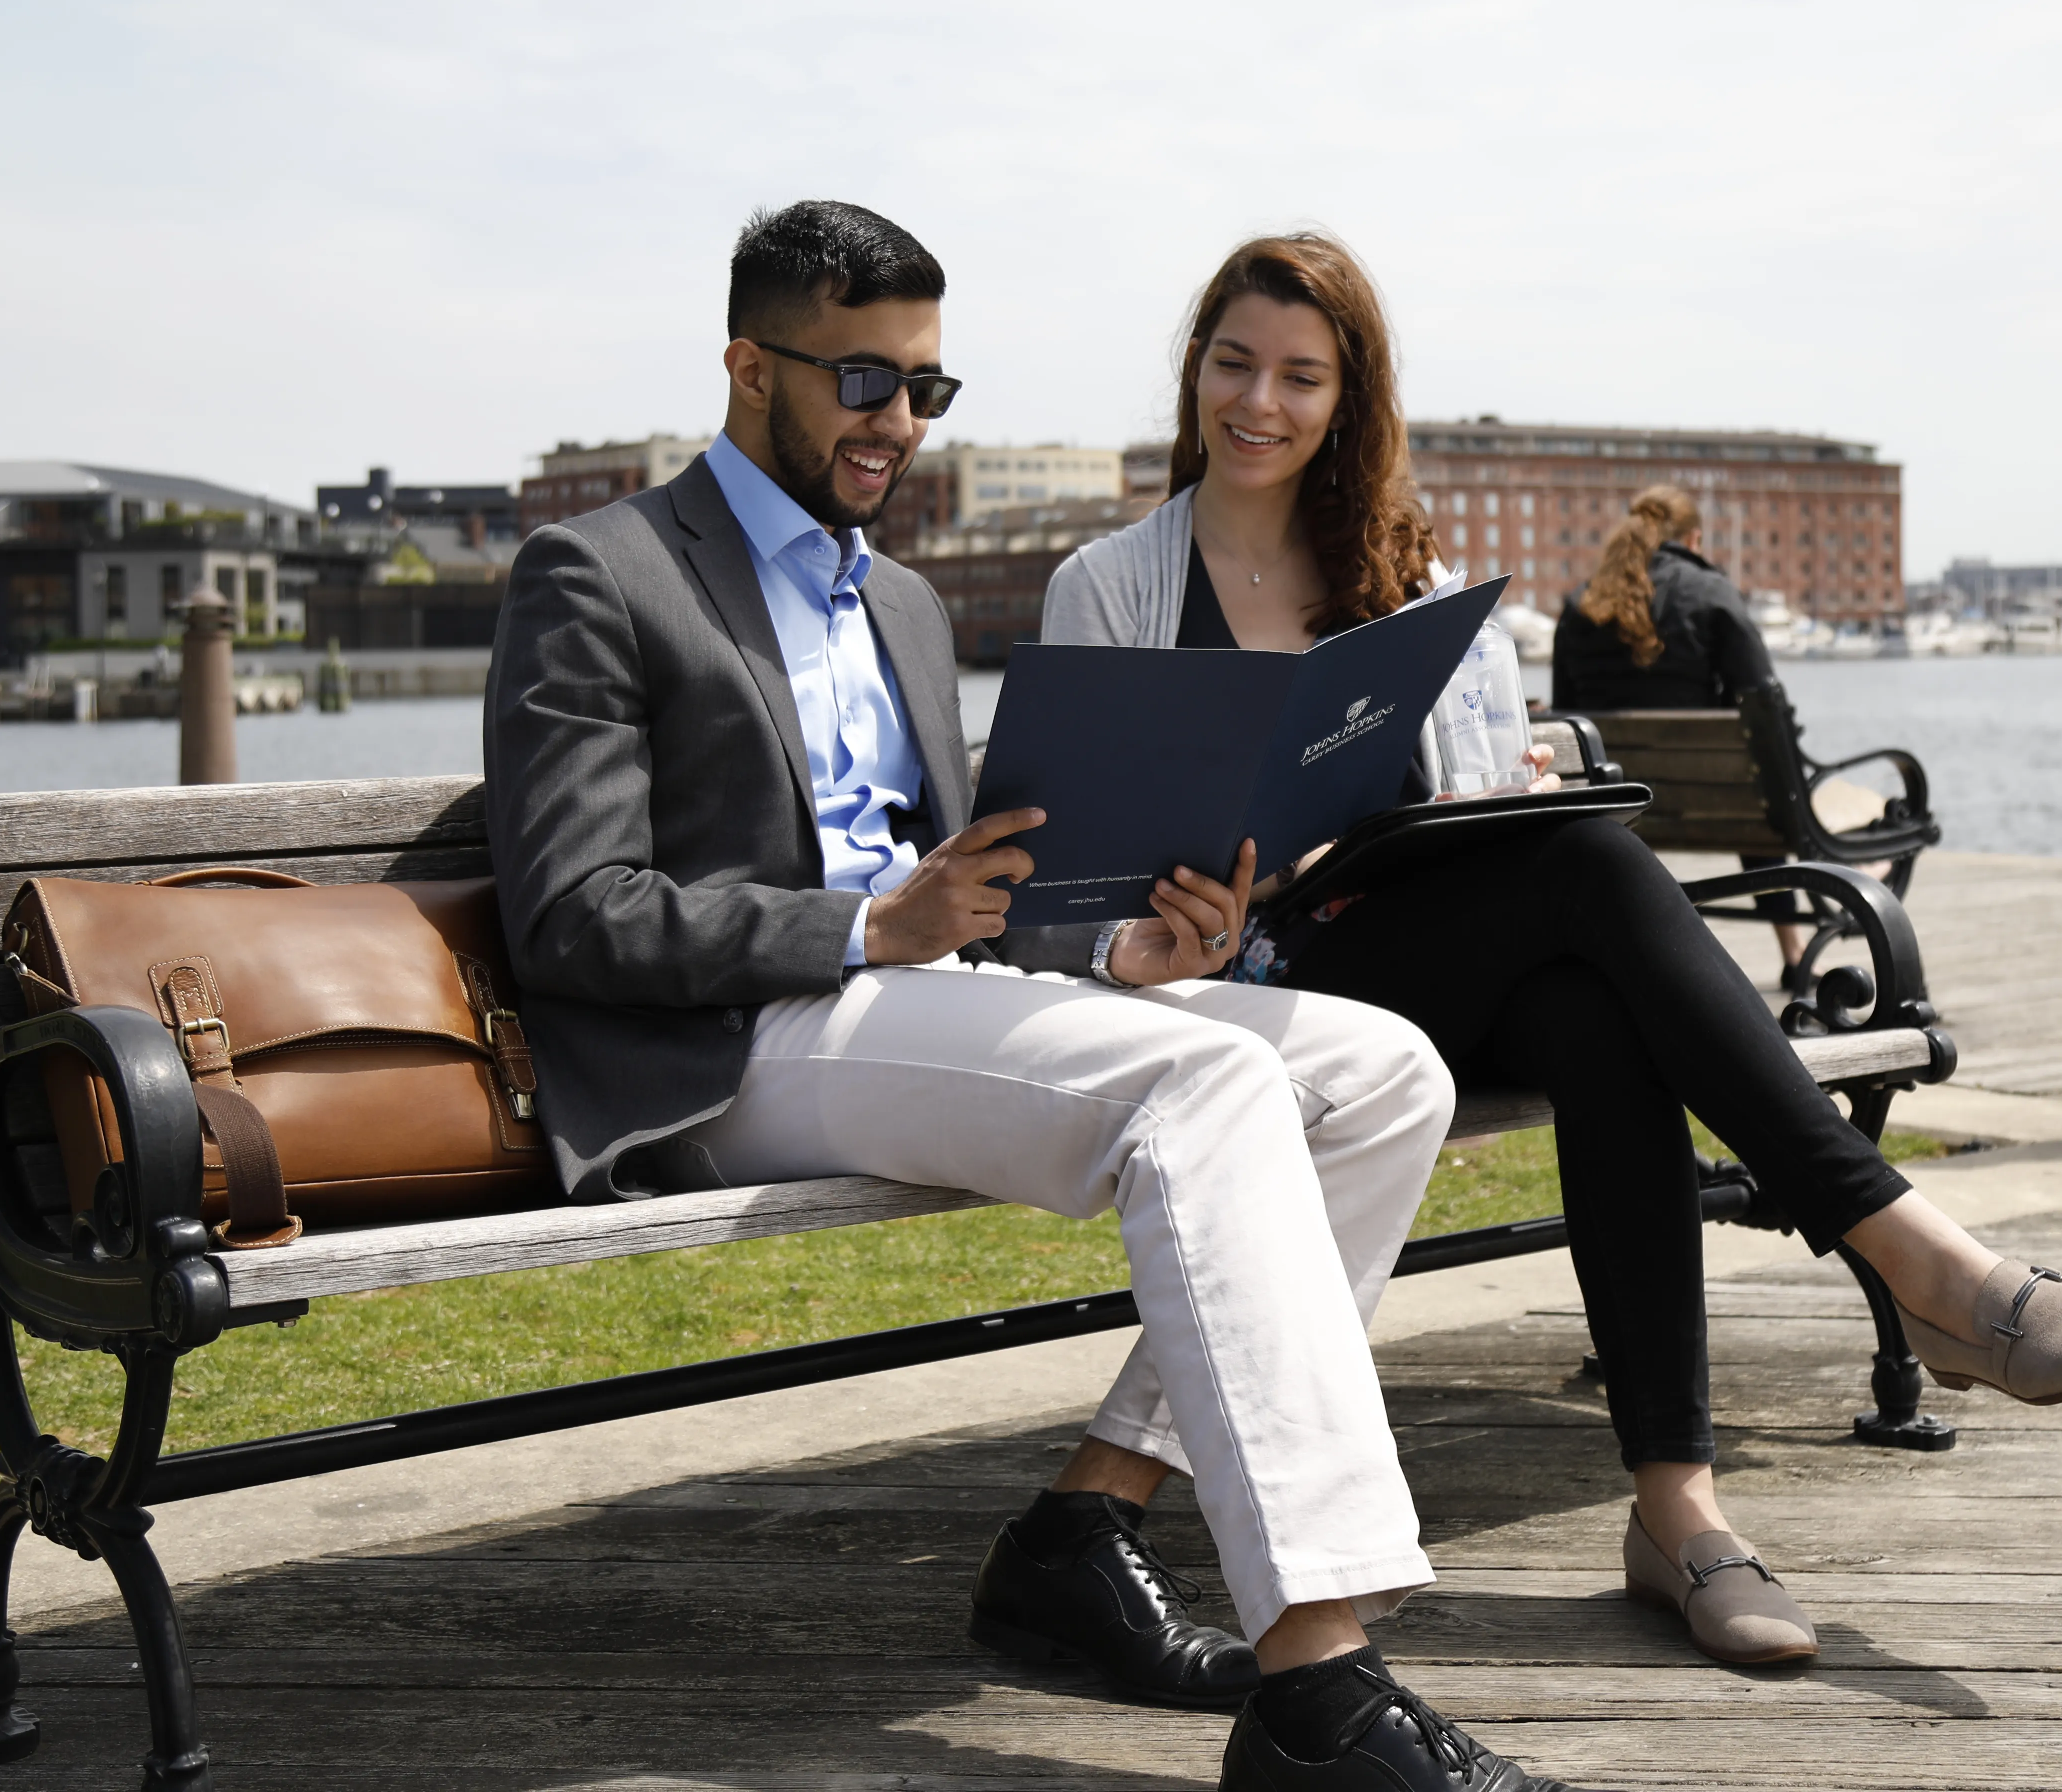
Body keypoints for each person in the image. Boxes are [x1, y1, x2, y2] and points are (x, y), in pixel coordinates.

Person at [485, 202, 1588, 1792]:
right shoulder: (598, 572)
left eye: (927, 390)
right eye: (865, 381)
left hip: (915, 996)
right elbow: (575, 914)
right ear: (746, 364)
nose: (898, 425)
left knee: (1379, 1072)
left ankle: (1085, 1519)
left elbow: (979, 891)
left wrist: (1117, 956)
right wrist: (871, 923)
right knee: (1204, 1091)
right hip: (728, 1047)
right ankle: (1321, 1680)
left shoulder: (905, 601)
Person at [1039, 232, 2062, 1674]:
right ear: (1195, 367)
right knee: (1590, 902)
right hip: (1238, 1003)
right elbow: (1056, 894)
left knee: (1589, 995)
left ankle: (1685, 1506)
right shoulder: (1110, 587)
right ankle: (1900, 1285)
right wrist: (1146, 939)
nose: (1260, 402)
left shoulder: (1406, 572)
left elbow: (1477, 798)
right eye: (1235, 363)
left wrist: (1495, 789)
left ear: (1350, 396)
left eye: (1301, 376)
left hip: (1411, 972)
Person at [1551, 484, 1859, 992]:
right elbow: (1766, 704)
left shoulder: (1581, 604)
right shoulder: (1713, 593)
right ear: (1694, 538)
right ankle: (1795, 950)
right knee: (1755, 778)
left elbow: (1567, 717)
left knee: (1745, 777)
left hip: (1616, 810)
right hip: (1726, 806)